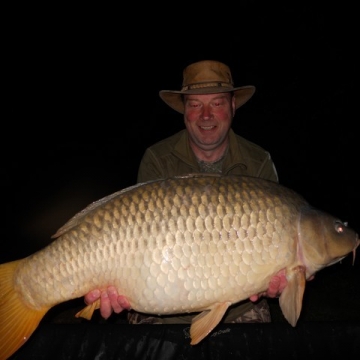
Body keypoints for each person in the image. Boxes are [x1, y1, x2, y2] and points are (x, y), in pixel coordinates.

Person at [84, 59, 286, 323]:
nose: (206, 115)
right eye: (195, 105)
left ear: (233, 106)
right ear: (184, 111)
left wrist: (284, 279)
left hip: (237, 306)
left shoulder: (259, 162)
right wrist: (112, 283)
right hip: (161, 307)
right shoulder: (157, 158)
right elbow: (132, 240)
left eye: (217, 103)